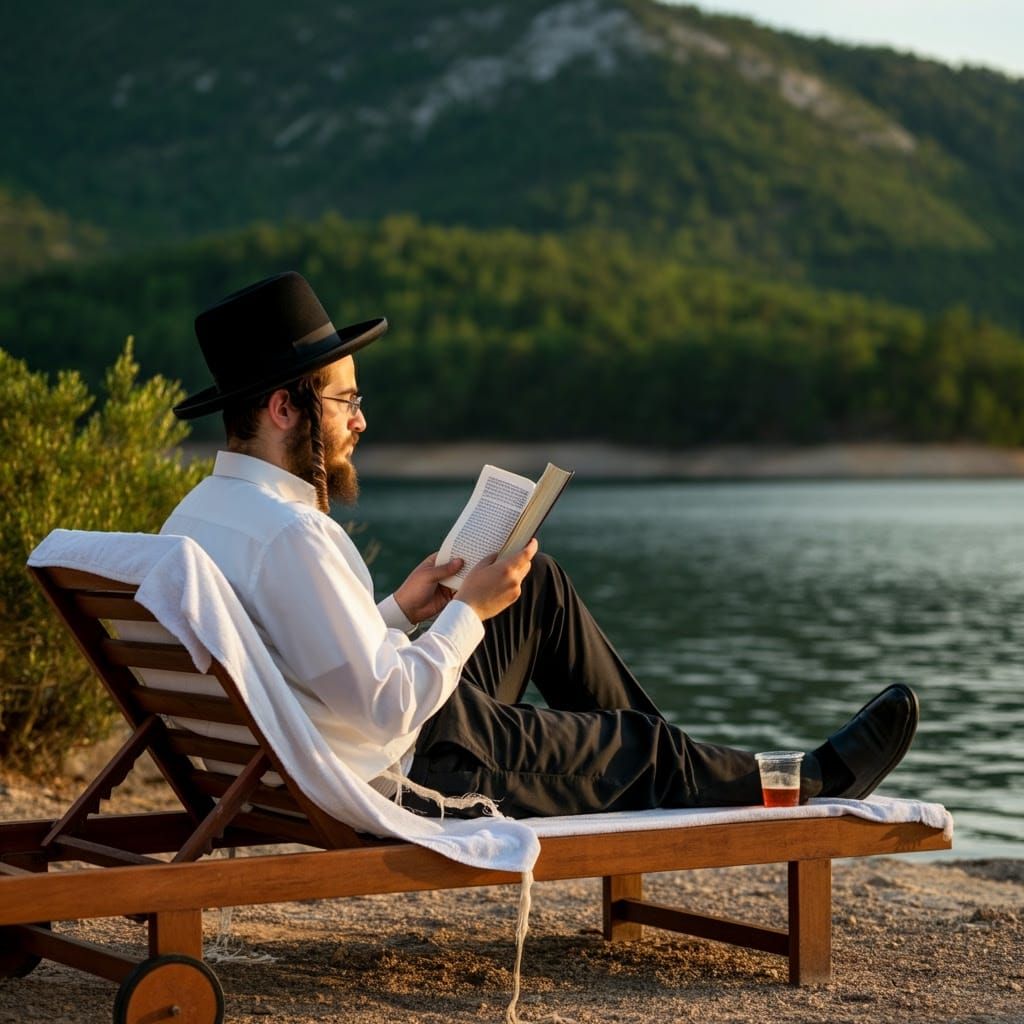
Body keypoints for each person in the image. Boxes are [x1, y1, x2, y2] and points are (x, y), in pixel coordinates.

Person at [163, 271, 919, 819]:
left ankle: (675, 776)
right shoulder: (295, 532)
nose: (360, 421)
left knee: (540, 587)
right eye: (346, 400)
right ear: (283, 406)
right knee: (633, 745)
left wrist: (400, 609)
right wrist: (467, 614)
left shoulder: (200, 517)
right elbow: (389, 709)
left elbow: (300, 662)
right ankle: (811, 783)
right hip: (417, 767)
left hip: (316, 753)